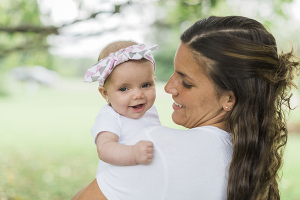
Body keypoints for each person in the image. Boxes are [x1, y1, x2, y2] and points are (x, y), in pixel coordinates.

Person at [72, 16, 299, 200]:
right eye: (172, 74)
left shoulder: (155, 149)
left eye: (186, 82)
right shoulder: (246, 155)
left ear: (228, 98)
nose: (169, 87)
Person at [84, 40, 161, 176]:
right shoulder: (109, 116)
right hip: (115, 187)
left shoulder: (150, 111)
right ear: (105, 93)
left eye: (145, 85)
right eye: (124, 89)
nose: (138, 95)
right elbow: (105, 148)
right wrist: (133, 153)